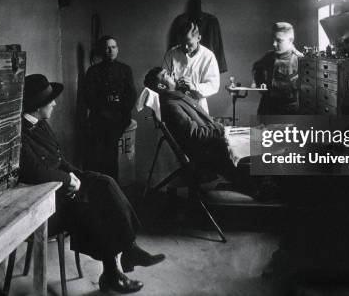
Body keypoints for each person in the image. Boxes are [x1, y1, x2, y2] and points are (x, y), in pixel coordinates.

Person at [19, 74, 164, 293]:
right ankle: (114, 271)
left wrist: (79, 175)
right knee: (97, 208)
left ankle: (128, 250)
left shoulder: (40, 123)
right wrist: (69, 180)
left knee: (104, 182)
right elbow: (33, 171)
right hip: (48, 198)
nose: (55, 104)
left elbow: (58, 158)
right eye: (51, 101)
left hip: (62, 185)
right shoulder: (20, 133)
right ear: (38, 107)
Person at [143, 67, 234, 180]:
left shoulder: (178, 97)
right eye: (166, 74)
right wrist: (220, 127)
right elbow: (195, 134)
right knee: (256, 151)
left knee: (257, 142)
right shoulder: (172, 105)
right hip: (212, 156)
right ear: (161, 86)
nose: (172, 73)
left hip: (216, 145)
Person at [84, 36, 137, 179]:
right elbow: (89, 97)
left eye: (113, 47)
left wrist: (121, 111)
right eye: (107, 47)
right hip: (100, 116)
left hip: (120, 116)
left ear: (117, 49)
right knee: (97, 152)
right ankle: (103, 185)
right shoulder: (93, 71)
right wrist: (103, 110)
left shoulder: (125, 70)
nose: (110, 50)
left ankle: (112, 184)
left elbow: (131, 95)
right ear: (102, 50)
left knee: (110, 150)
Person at [162, 21, 219, 114]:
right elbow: (163, 80)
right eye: (182, 43)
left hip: (198, 107)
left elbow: (213, 86)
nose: (185, 47)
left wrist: (193, 86)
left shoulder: (208, 56)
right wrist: (174, 85)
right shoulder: (171, 54)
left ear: (199, 38)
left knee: (198, 127)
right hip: (175, 106)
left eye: (189, 43)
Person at [252, 22, 304, 115]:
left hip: (287, 112)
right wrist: (258, 82)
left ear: (290, 40)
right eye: (273, 39)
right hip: (266, 108)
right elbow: (256, 68)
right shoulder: (268, 56)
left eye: (279, 40)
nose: (274, 44)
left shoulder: (300, 60)